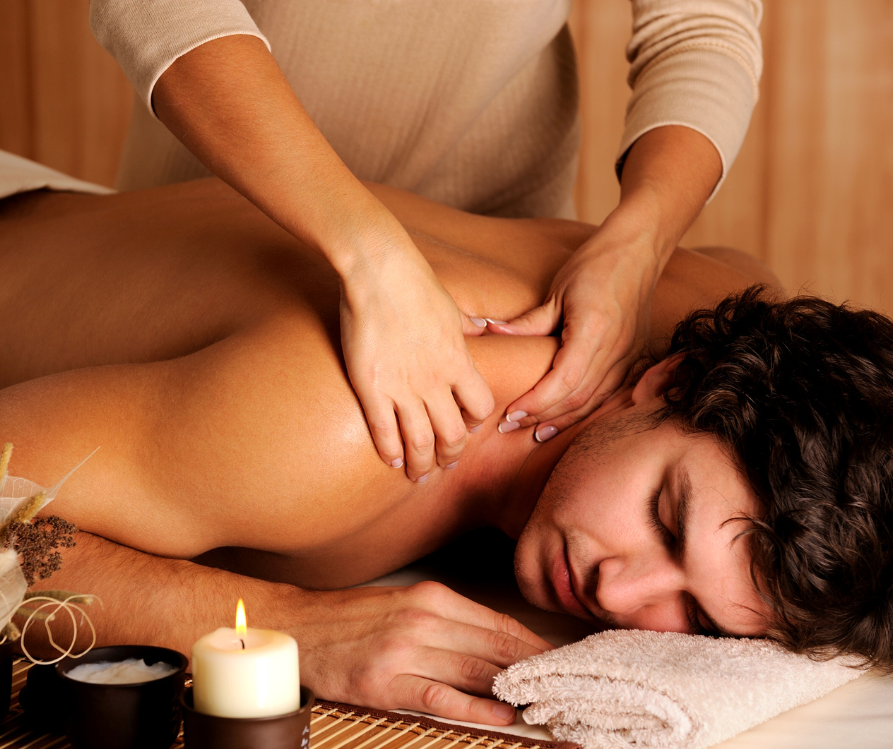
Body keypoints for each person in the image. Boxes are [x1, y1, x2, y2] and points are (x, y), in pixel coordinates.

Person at [0, 175, 893, 726]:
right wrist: (290, 624)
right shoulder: (359, 424)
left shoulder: (727, 303)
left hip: (38, 209)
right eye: (668, 520)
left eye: (696, 610)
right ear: (669, 381)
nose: (624, 592)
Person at [88, 0, 764, 482]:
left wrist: (638, 246)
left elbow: (705, 23)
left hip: (499, 250)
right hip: (232, 223)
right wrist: (369, 255)